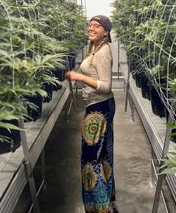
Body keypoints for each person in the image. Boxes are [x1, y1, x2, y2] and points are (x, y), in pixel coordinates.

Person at [65, 15, 117, 213]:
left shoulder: (103, 52)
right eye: (90, 25)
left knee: (90, 159)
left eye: (97, 26)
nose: (91, 28)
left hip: (99, 108)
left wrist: (80, 77)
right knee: (102, 154)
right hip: (99, 106)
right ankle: (105, 201)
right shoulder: (94, 47)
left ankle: (100, 208)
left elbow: (105, 86)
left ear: (106, 31)